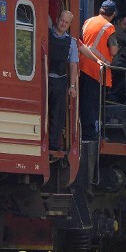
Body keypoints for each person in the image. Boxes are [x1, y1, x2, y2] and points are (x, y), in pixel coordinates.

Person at [47, 10, 101, 150]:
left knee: (57, 113)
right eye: (61, 20)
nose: (63, 24)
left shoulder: (71, 42)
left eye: (66, 22)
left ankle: (53, 143)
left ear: (70, 24)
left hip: (60, 80)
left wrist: (72, 86)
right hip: (45, 79)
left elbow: (73, 65)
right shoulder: (46, 34)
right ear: (57, 19)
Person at [79, 0, 119, 141]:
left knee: (84, 101)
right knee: (93, 104)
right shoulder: (109, 27)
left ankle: (83, 130)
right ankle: (91, 133)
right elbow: (113, 50)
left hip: (82, 65)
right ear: (113, 14)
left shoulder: (88, 21)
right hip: (97, 69)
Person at [107, 15, 126, 103]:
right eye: (124, 24)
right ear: (118, 22)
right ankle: (113, 96)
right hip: (113, 61)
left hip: (115, 60)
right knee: (122, 72)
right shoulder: (116, 30)